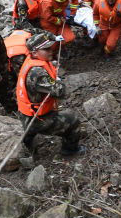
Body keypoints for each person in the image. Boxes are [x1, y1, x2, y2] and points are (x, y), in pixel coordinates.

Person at [16, 32, 84, 160]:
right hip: (37, 118)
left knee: (29, 132)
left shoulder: (31, 60)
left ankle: (29, 140)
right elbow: (61, 92)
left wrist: (50, 67)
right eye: (46, 49)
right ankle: (69, 150)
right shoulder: (38, 73)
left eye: (50, 47)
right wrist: (56, 79)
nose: (50, 51)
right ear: (35, 52)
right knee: (73, 120)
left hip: (26, 112)